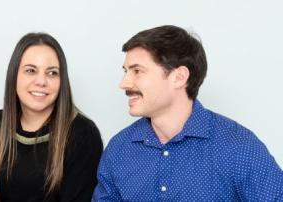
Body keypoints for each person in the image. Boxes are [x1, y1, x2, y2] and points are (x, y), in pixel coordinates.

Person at [93, 25, 283, 201]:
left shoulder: (238, 147)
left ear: (179, 77)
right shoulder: (119, 149)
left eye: (137, 71)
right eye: (126, 71)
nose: (124, 83)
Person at [0, 33, 103, 202]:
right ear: (14, 75)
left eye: (52, 73)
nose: (41, 81)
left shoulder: (83, 134)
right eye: (31, 71)